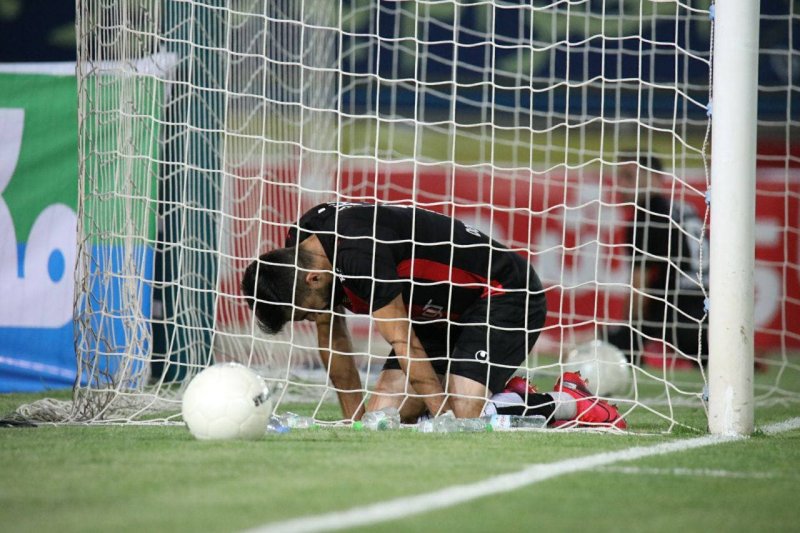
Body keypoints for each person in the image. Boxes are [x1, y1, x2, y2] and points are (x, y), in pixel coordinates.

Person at [241, 201, 626, 429]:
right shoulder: (302, 248)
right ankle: (500, 392)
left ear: (312, 278)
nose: (311, 319)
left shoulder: (358, 256)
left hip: (501, 293)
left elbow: (401, 340)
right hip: (435, 311)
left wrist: (447, 421)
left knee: (464, 413)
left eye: (304, 313)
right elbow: (334, 343)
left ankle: (567, 400)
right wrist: (355, 425)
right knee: (383, 420)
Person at [606, 154, 709, 367]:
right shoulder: (684, 208)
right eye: (619, 177)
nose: (621, 185)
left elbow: (639, 288)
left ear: (654, 178)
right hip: (712, 317)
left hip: (679, 321)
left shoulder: (646, 216)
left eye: (628, 177)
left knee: (604, 344)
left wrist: (628, 336)